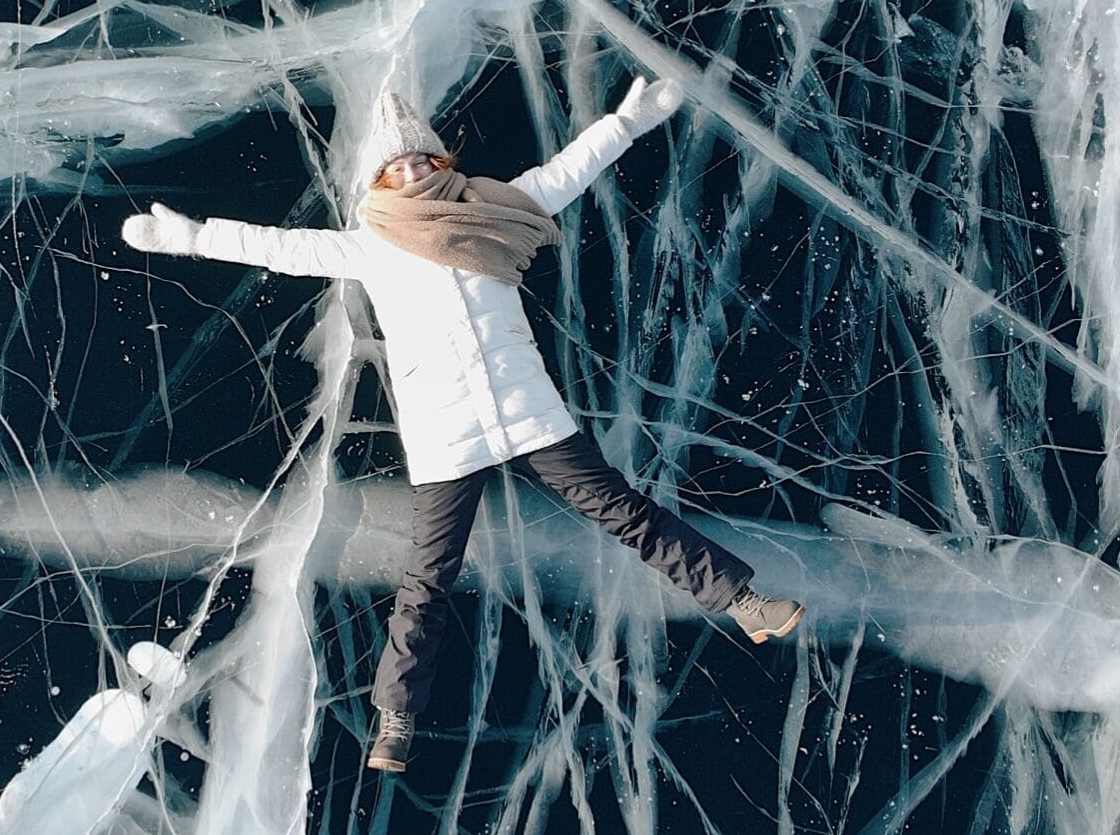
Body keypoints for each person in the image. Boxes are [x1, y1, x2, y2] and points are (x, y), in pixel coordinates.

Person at [121, 78, 803, 775]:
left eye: (420, 158)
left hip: (528, 412)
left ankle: (743, 601)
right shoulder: (371, 245)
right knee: (428, 578)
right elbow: (282, 248)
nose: (411, 169)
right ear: (376, 177)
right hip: (446, 433)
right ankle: (395, 717)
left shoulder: (496, 208)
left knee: (626, 513)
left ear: (439, 161)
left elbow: (570, 169)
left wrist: (625, 123)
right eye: (396, 164)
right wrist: (189, 237)